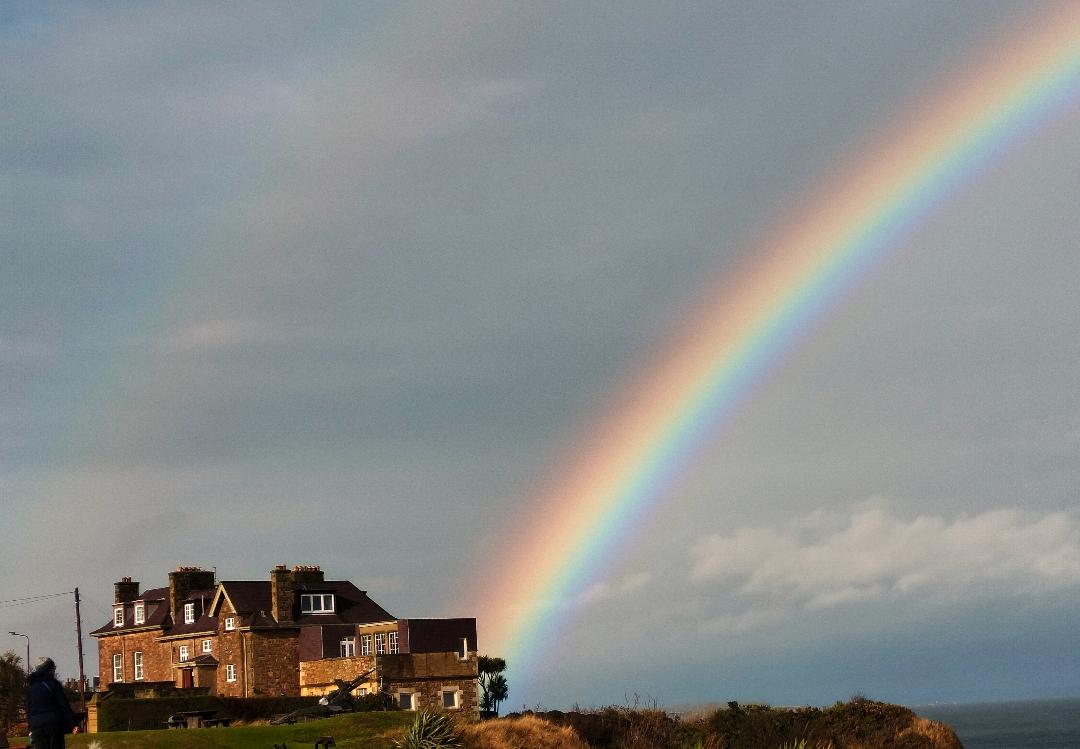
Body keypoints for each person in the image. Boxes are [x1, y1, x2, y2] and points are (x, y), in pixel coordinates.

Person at [24, 658, 79, 749]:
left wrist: (31, 727)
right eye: (53, 669)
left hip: (37, 726)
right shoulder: (54, 684)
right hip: (53, 724)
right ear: (48, 670)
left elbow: (29, 709)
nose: (54, 671)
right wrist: (73, 723)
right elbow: (64, 705)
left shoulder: (30, 687)